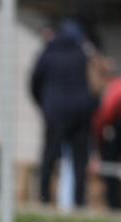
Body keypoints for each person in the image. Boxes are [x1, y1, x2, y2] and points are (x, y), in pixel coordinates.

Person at [31, 20, 98, 207]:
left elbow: (34, 82)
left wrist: (44, 104)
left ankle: (43, 198)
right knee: (79, 160)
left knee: (49, 156)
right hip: (80, 113)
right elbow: (95, 86)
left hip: (55, 112)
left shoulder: (48, 52)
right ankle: (78, 202)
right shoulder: (83, 53)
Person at [93, 76, 121, 211]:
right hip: (115, 124)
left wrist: (99, 143)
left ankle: (113, 204)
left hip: (115, 125)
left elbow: (106, 114)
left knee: (109, 163)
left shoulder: (114, 87)